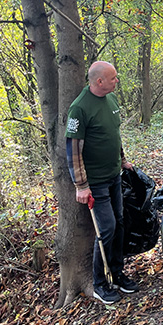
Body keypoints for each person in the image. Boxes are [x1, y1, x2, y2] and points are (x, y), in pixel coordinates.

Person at [65, 61, 139, 305]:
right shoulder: (80, 108)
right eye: (113, 78)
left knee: (119, 223)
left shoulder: (112, 100)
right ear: (99, 81)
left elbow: (113, 134)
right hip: (94, 182)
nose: (117, 81)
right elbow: (74, 150)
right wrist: (81, 185)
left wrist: (123, 160)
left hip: (113, 176)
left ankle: (117, 274)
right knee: (105, 228)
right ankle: (99, 283)